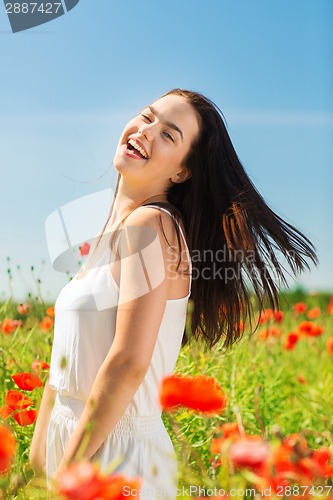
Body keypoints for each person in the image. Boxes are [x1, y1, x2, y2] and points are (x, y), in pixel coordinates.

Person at [29, 89, 317, 498]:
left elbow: (129, 361)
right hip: (79, 441)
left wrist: (71, 473)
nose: (146, 131)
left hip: (114, 455)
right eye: (147, 117)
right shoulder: (113, 233)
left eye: (169, 135)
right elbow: (70, 360)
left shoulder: (151, 225)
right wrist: (39, 457)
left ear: (182, 172)